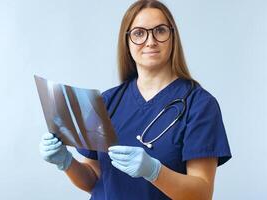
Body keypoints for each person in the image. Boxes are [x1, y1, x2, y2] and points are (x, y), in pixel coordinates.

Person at [39, 0, 232, 199]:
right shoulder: (107, 102)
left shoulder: (199, 105)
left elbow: (202, 193)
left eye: (160, 30)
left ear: (173, 37)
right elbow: (94, 180)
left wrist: (155, 172)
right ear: (127, 41)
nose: (150, 41)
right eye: (139, 33)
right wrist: (66, 162)